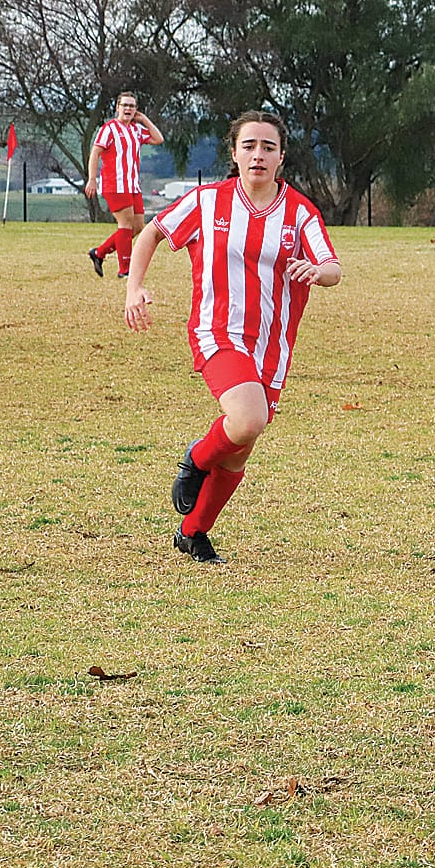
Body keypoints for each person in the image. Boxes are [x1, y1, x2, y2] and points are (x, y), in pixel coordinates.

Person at [122, 111, 342, 564]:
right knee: (246, 420)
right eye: (249, 146)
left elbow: (333, 267)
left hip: (272, 346)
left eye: (267, 147)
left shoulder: (300, 212)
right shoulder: (206, 202)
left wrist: (318, 272)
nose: (257, 155)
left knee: (241, 449)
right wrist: (134, 287)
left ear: (282, 157)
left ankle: (192, 531)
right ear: (234, 153)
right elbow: (151, 234)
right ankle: (196, 459)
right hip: (217, 331)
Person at [86, 91, 165, 279]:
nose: (128, 109)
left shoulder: (136, 129)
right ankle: (124, 269)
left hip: (132, 185)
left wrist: (144, 119)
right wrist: (91, 179)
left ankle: (99, 253)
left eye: (132, 106)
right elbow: (95, 152)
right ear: (117, 107)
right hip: (115, 184)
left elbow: (158, 139)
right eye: (125, 105)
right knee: (125, 224)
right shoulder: (109, 129)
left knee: (138, 226)